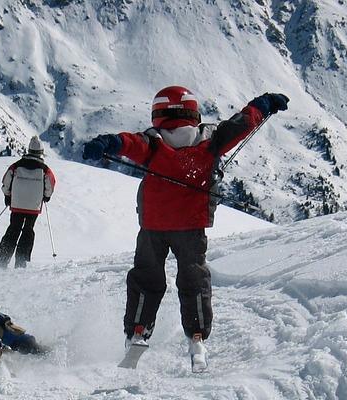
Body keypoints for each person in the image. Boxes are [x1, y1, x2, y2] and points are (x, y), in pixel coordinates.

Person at [81, 86, 288, 369]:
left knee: (146, 279)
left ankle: (137, 332)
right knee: (194, 280)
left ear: (158, 113)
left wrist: (105, 143)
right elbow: (242, 123)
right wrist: (264, 104)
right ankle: (197, 337)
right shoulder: (211, 139)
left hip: (153, 225)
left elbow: (125, 143)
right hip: (191, 227)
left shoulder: (152, 142)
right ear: (193, 112)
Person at [0, 136, 56, 269]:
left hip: (16, 204)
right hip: (33, 206)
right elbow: (50, 185)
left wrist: (8, 195)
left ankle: (2, 260)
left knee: (13, 229)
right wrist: (46, 196)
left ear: (28, 150)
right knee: (28, 230)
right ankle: (21, 262)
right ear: (41, 152)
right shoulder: (45, 169)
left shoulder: (16, 165)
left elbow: (6, 181)